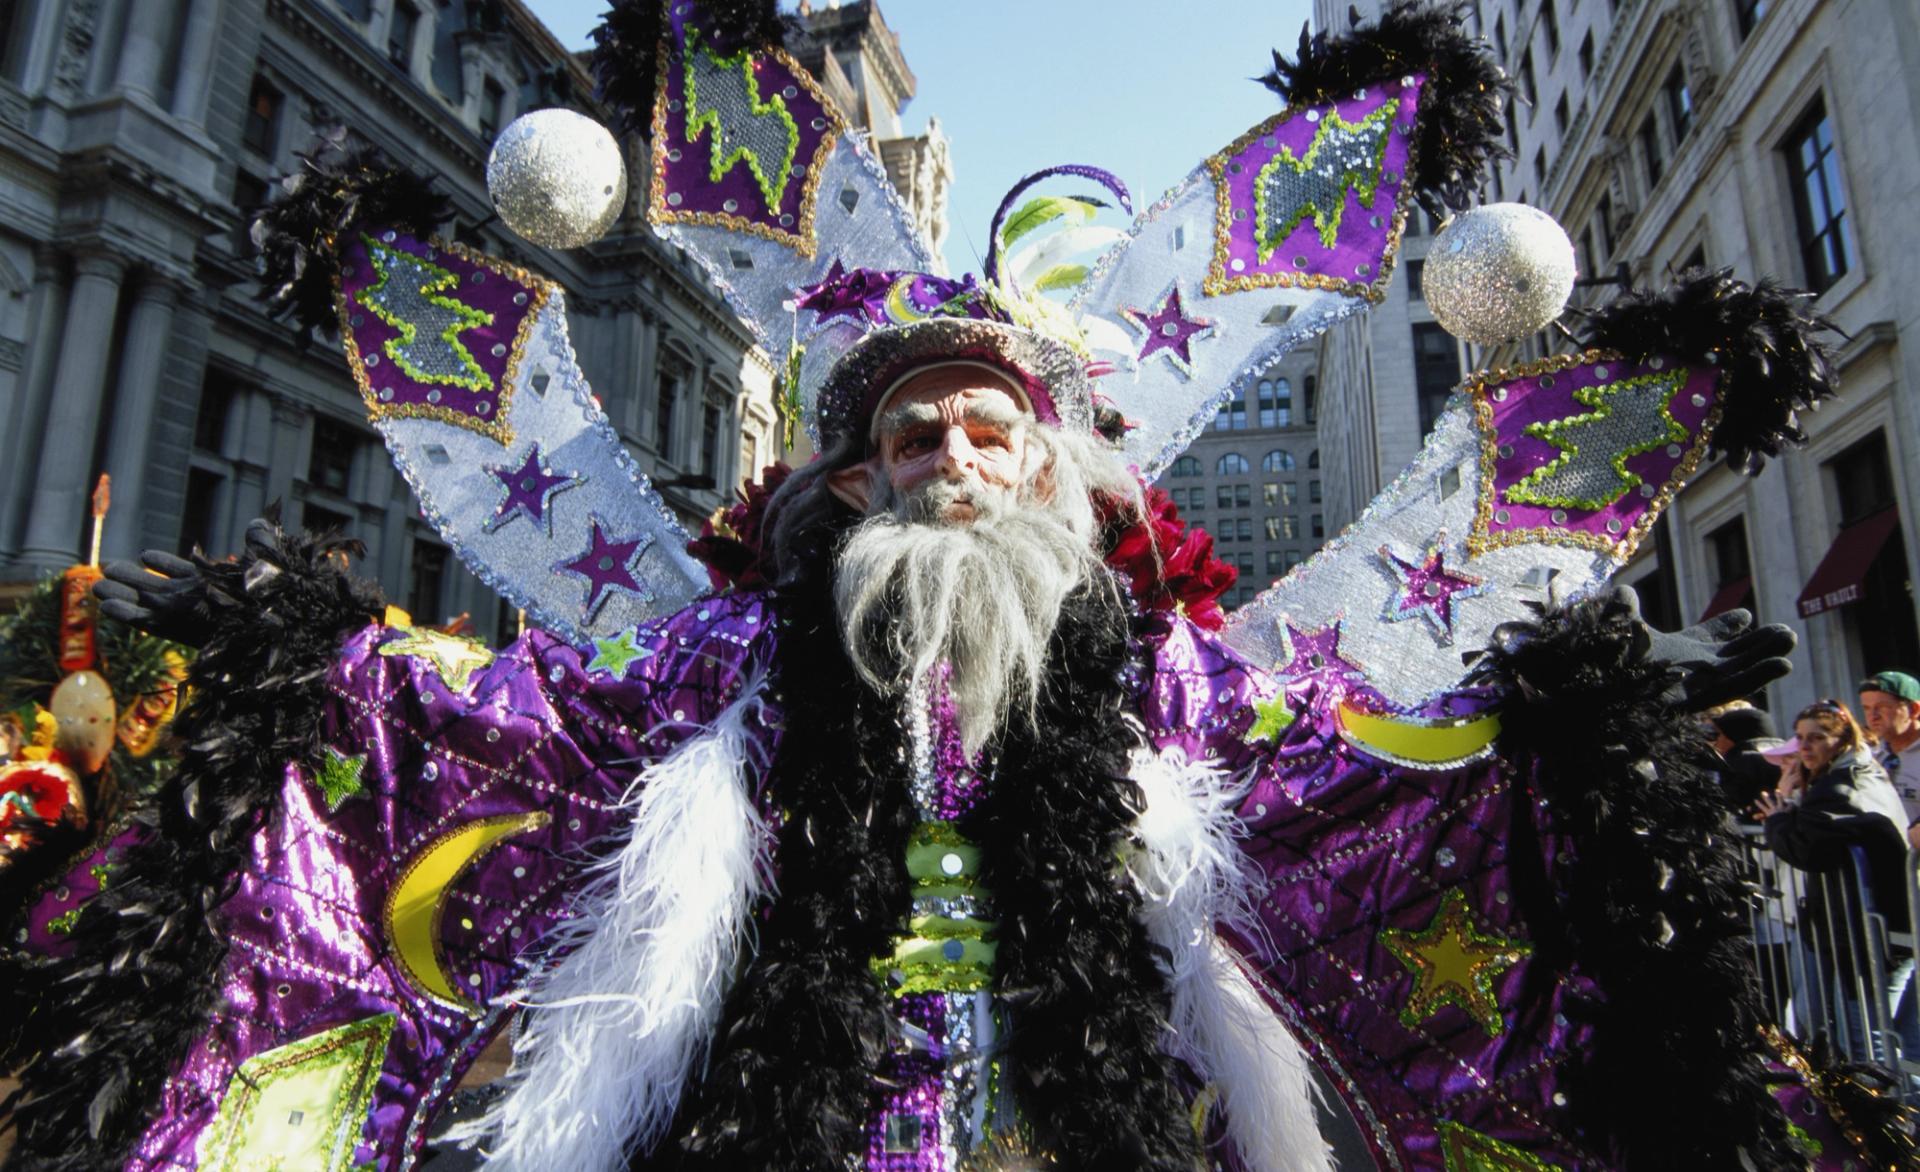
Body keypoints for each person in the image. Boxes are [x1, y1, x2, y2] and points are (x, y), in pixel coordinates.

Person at [0, 3, 1881, 1170]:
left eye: (988, 435)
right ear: (854, 470)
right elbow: (516, 722)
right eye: (911, 439)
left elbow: (1344, 773)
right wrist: (315, 676)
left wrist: (1548, 746)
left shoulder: (1165, 684)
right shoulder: (734, 662)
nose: (950, 464)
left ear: (1051, 472)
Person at [1757, 700, 1913, 1061]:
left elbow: (1806, 849)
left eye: (1817, 737)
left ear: (1841, 739)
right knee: (1886, 1040)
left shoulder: (1843, 785)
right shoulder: (1851, 774)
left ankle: (1893, 1116)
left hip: (1868, 934)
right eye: (1800, 738)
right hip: (1865, 930)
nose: (1805, 747)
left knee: (1871, 1047)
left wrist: (1777, 820)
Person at [1858, 670, 1920, 846]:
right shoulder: (1869, 757)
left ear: (1914, 709)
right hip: (1889, 863)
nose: (1873, 716)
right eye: (1867, 708)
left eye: (1882, 707)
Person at [1707, 701, 1784, 817]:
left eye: (1719, 735)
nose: (1716, 742)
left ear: (1734, 736)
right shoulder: (1788, 757)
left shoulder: (1738, 762)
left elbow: (1729, 801)